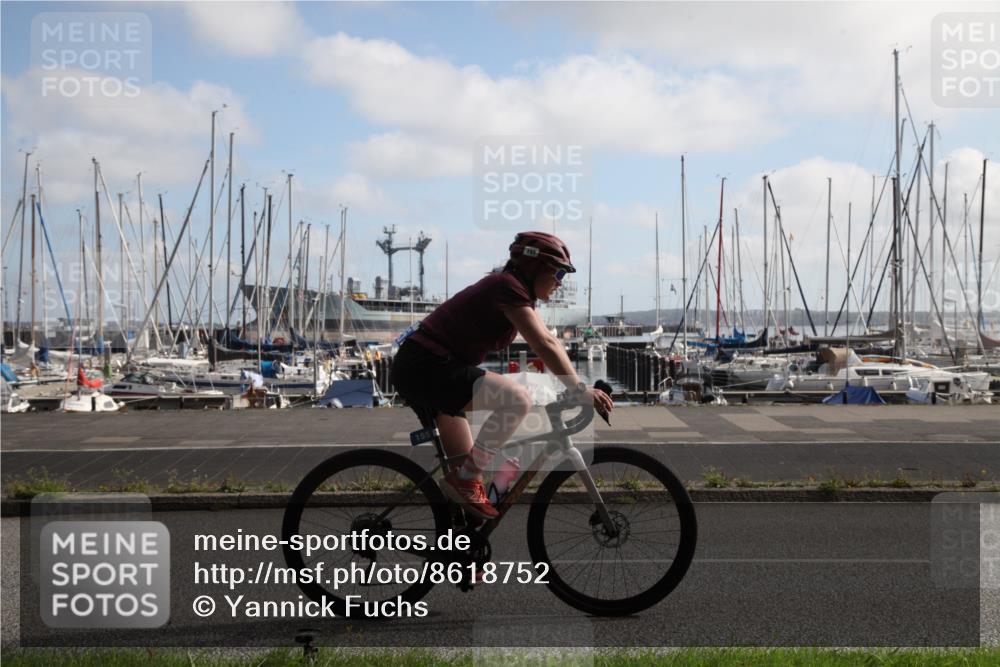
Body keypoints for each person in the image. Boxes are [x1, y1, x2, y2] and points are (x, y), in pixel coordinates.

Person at [390, 231, 614, 520]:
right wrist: (579, 388)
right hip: (426, 365)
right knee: (516, 399)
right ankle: (466, 480)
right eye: (558, 272)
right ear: (535, 267)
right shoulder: (506, 287)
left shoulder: (516, 294)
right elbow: (543, 344)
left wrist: (573, 386)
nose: (561, 281)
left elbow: (549, 339)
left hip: (432, 366)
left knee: (469, 494)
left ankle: (465, 560)